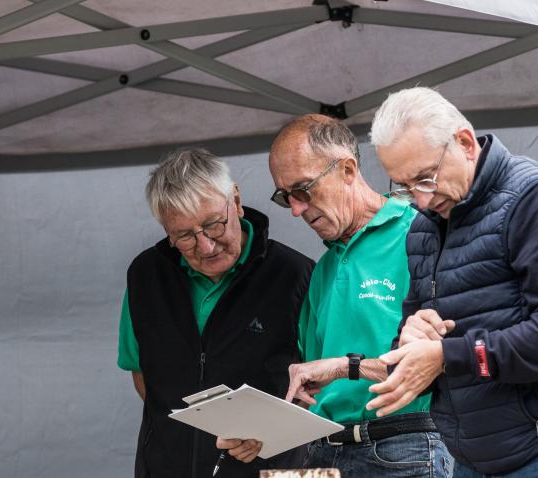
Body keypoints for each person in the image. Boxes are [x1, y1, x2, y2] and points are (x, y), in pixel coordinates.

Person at [366, 87, 538, 477]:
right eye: (403, 187)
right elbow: (422, 357)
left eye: (425, 178)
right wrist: (409, 342)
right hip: (474, 460)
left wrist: (445, 356)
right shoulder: (423, 230)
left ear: (465, 143)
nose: (420, 200)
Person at [218, 114, 452, 477]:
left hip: (402, 446)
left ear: (347, 170)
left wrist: (345, 365)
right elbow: (318, 391)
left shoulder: (420, 236)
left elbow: (448, 359)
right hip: (324, 453)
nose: (296, 209)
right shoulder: (323, 270)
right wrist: (264, 433)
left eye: (303, 190)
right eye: (285, 197)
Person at [118, 147, 314, 478]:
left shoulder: (296, 275)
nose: (206, 246)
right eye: (185, 236)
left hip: (273, 470)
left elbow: (321, 383)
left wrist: (269, 433)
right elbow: (142, 374)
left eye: (214, 225)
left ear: (235, 201)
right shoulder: (145, 275)